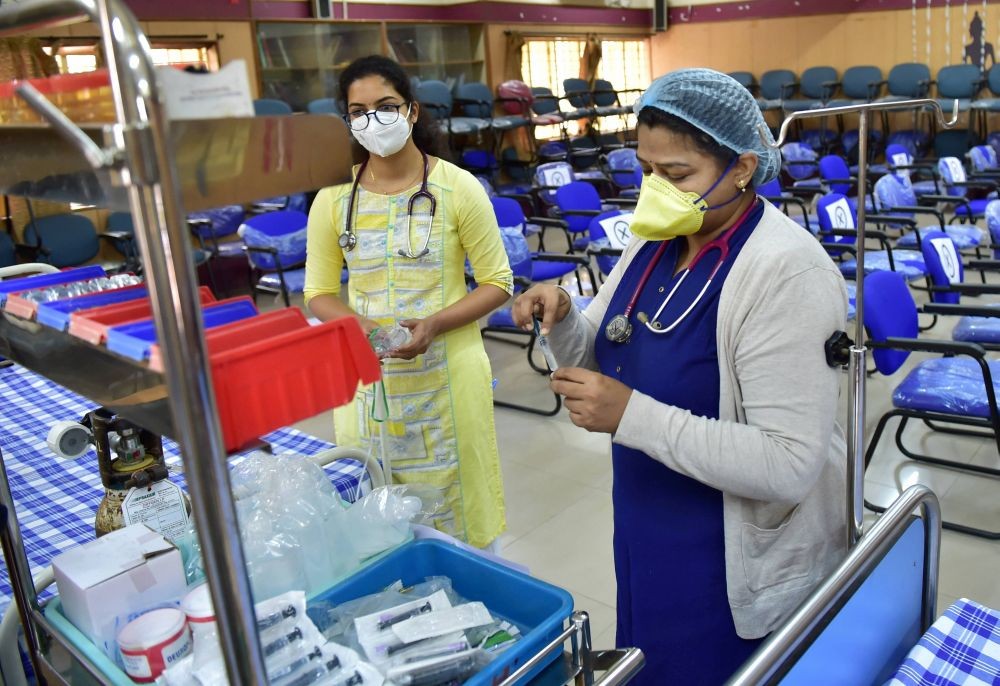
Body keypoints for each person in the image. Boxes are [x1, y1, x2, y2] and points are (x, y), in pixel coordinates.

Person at [512, 68, 848, 683]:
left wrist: (630, 414)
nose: (655, 189)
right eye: (646, 169)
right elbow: (598, 352)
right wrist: (562, 318)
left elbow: (789, 462)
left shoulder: (785, 272)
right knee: (649, 661)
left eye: (677, 175)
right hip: (648, 521)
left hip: (729, 552)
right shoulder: (658, 240)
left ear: (742, 168)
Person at [304, 55, 513, 549]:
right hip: (367, 378)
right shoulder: (333, 197)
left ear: (413, 112)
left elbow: (497, 281)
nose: (372, 120)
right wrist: (368, 329)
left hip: (448, 377)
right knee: (379, 523)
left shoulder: (458, 188)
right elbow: (319, 293)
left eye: (385, 106)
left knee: (460, 524)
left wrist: (434, 324)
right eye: (358, 111)